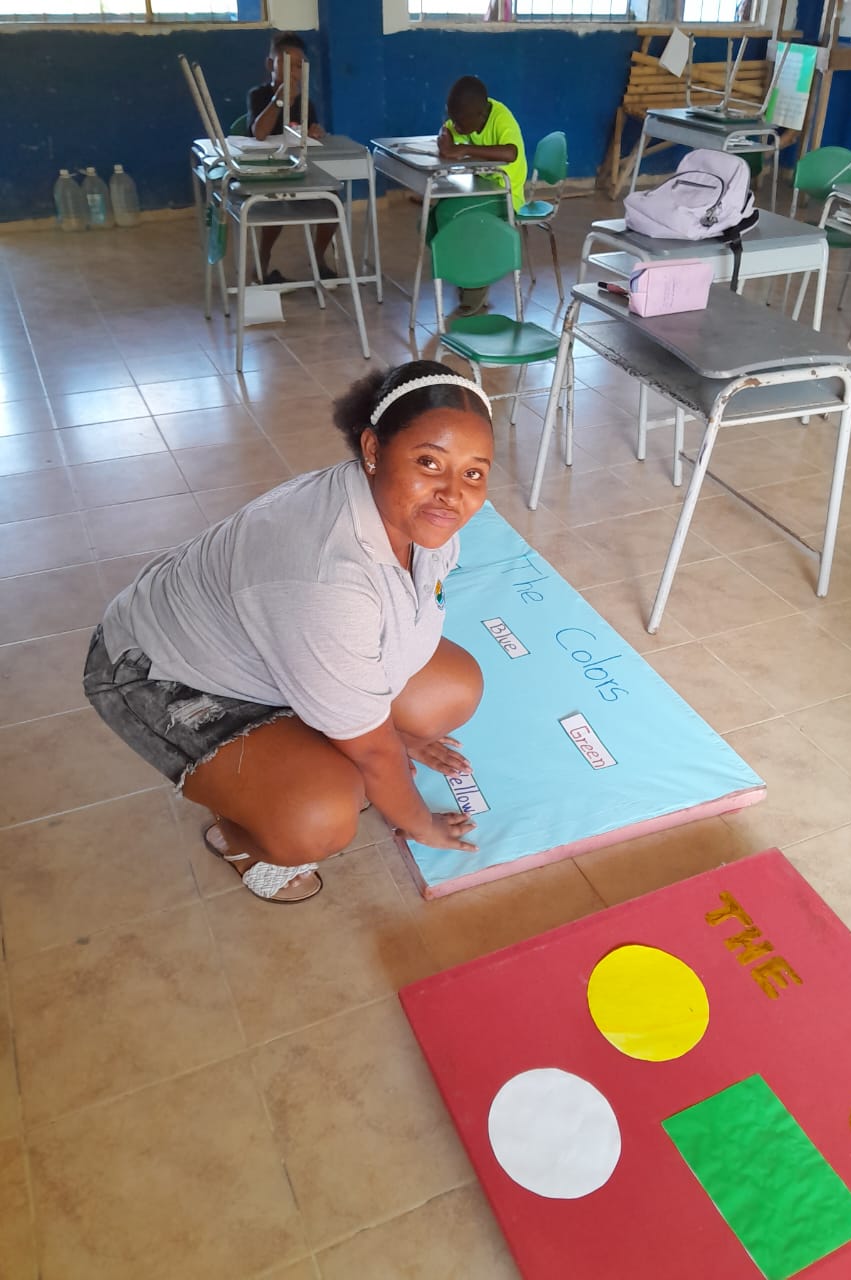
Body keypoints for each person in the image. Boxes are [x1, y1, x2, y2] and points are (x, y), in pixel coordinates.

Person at [82, 361, 495, 904]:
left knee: (451, 688)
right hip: (162, 673)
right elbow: (374, 754)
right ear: (372, 450)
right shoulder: (324, 573)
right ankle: (237, 836)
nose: (451, 493)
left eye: (473, 473)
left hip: (270, 647)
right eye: (428, 462)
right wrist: (418, 820)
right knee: (318, 817)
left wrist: (386, 735)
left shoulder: (419, 519)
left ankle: (314, 739)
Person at [246, 31, 336, 285]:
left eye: (298, 66)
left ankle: (318, 258)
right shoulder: (259, 95)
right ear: (270, 65)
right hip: (267, 175)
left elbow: (311, 135)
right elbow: (260, 132)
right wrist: (278, 102)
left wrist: (315, 132)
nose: (292, 72)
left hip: (297, 171)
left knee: (332, 203)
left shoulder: (306, 101)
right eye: (285, 64)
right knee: (276, 209)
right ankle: (262, 261)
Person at [433, 75, 527, 315]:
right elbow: (447, 128)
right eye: (454, 119)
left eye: (461, 122)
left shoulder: (501, 118)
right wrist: (446, 137)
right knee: (430, 220)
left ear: (480, 115)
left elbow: (511, 152)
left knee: (451, 214)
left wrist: (464, 148)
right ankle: (462, 273)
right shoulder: (467, 114)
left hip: (506, 195)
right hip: (481, 188)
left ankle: (475, 284)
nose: (458, 126)